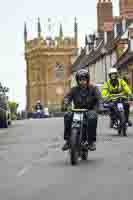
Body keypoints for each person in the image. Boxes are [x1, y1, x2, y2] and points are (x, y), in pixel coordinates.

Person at [62, 69, 100, 151]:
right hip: (76, 111)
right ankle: (68, 140)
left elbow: (99, 98)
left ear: (87, 80)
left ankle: (91, 142)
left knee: (93, 117)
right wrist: (65, 103)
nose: (82, 82)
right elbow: (67, 97)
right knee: (67, 115)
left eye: (84, 79)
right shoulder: (74, 89)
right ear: (77, 81)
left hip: (89, 110)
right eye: (80, 80)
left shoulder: (94, 89)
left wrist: (99, 107)